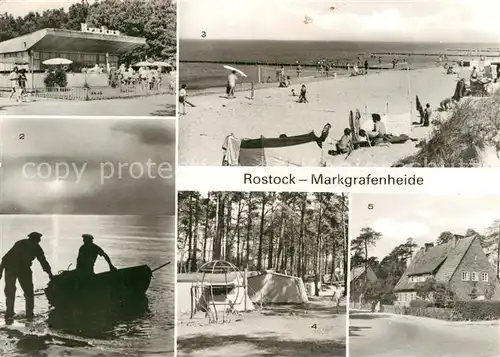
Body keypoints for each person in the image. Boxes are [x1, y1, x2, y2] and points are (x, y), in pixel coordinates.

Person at [0, 232, 54, 322]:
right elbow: (5, 258)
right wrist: (0, 272)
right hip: (13, 268)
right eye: (36, 241)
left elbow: (43, 262)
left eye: (37, 241)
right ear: (32, 239)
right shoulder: (22, 244)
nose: (36, 243)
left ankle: (25, 313)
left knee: (25, 291)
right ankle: (13, 312)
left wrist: (50, 274)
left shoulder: (34, 247)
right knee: (15, 290)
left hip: (20, 268)